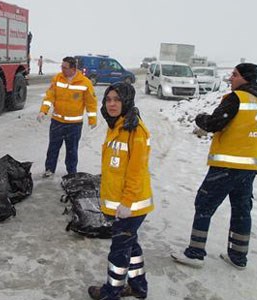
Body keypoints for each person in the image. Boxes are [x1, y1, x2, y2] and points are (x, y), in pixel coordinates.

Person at [171, 63, 257, 270]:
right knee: (242, 210)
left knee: (204, 205)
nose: (231, 78)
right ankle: (238, 256)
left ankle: (195, 252)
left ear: (245, 78)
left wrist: (200, 117)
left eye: (234, 75)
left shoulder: (237, 98)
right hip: (249, 167)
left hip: (227, 165)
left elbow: (213, 124)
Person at [88, 82, 154, 300]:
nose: (112, 104)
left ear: (126, 101)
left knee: (119, 251)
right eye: (108, 99)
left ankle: (112, 291)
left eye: (116, 99)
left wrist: (126, 202)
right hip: (121, 203)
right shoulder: (117, 125)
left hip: (131, 206)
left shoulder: (135, 130)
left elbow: (136, 171)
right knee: (130, 245)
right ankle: (138, 287)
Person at [37, 56, 97, 177]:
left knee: (72, 151)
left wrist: (92, 119)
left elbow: (91, 102)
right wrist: (43, 111)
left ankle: (71, 172)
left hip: (74, 125)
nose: (62, 69)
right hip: (57, 122)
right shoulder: (57, 79)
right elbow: (50, 96)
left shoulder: (85, 83)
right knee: (53, 148)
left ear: (73, 68)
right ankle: (49, 169)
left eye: (65, 67)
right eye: (61, 66)